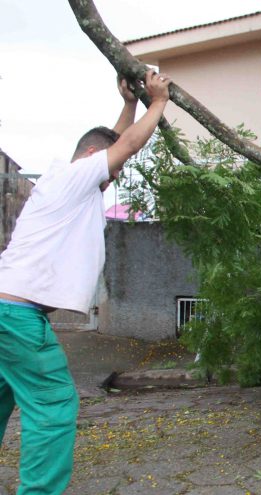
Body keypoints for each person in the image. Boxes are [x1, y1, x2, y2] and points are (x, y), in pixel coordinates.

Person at [0, 69, 171, 494]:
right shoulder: (78, 176)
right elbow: (124, 146)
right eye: (110, 169)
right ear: (93, 158)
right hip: (16, 318)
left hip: (6, 312)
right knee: (54, 405)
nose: (112, 178)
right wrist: (158, 102)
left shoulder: (66, 181)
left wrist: (129, 104)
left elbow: (114, 140)